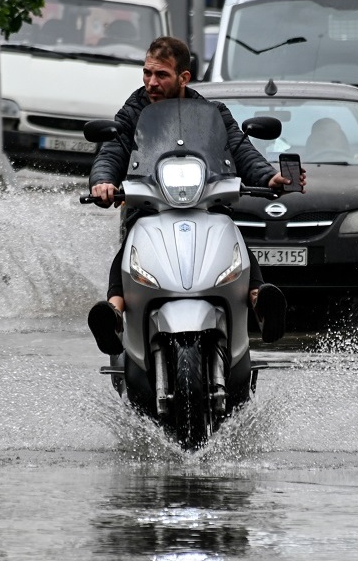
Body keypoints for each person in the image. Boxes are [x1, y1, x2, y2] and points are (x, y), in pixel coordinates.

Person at [87, 36, 305, 355]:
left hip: (205, 204)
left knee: (234, 241)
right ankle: (114, 313)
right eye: (147, 73)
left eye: (161, 75)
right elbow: (112, 150)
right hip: (150, 207)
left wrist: (270, 176)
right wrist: (103, 182)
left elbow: (241, 149)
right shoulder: (133, 112)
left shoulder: (210, 113)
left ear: (183, 78)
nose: (151, 82)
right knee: (129, 250)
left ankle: (260, 302)